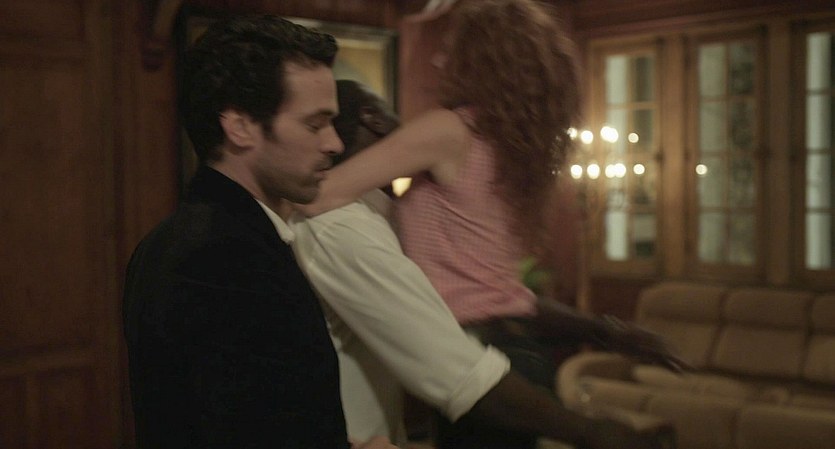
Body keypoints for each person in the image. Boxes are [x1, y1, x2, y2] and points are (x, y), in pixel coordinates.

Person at [295, 2, 686, 448]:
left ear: (481, 61)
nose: (439, 60)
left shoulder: (449, 131)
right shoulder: (510, 147)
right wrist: (610, 332)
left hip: (484, 369)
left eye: (453, 49)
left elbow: (319, 195)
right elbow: (501, 290)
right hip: (519, 354)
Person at [122, 16, 396, 449]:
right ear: (240, 127)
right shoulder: (222, 257)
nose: (334, 143)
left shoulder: (188, 238)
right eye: (314, 124)